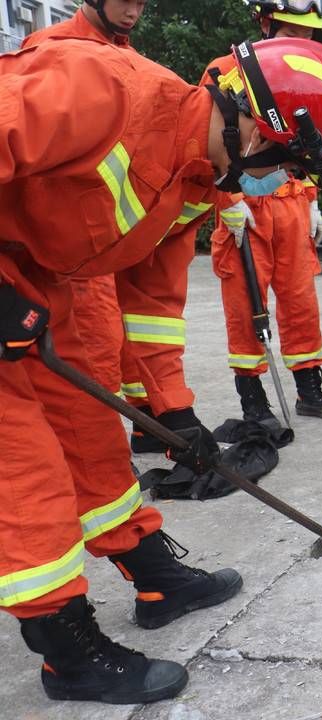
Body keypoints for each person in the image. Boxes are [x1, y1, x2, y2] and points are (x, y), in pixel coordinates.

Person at [0, 36, 322, 704]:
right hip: (7, 278)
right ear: (254, 129)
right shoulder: (101, 86)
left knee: (93, 437)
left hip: (49, 285)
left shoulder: (196, 180)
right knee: (26, 470)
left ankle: (155, 578)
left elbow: (151, 307)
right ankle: (65, 652)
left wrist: (173, 411)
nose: (281, 181)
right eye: (285, 162)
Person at [20, 0, 171, 454]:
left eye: (142, 3)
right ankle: (102, 477)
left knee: (128, 345)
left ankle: (144, 429)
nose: (134, 11)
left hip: (115, 241)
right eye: (126, 0)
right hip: (72, 253)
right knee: (94, 364)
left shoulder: (125, 54)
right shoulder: (53, 47)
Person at [204, 1, 322, 424]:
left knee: (301, 301)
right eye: (294, 31)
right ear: (266, 23)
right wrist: (228, 203)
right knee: (246, 303)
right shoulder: (226, 70)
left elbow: (308, 145)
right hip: (244, 203)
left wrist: (313, 199)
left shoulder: (306, 75)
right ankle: (255, 404)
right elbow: (209, 146)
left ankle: (309, 391)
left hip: (292, 202)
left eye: (309, 34)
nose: (304, 42)